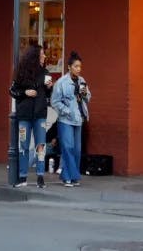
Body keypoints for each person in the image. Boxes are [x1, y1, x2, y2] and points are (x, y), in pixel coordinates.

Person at [9, 43, 50, 188]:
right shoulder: (21, 72)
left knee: (41, 146)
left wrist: (49, 88)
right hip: (24, 115)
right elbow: (12, 91)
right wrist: (25, 92)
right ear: (35, 56)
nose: (44, 56)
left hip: (40, 114)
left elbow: (48, 96)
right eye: (42, 54)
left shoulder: (45, 73)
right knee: (23, 146)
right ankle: (22, 177)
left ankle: (40, 177)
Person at [51, 51, 91, 187]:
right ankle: (67, 176)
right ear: (69, 67)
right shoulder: (61, 82)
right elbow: (55, 102)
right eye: (76, 66)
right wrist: (67, 111)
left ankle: (73, 177)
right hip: (66, 120)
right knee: (67, 147)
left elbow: (88, 98)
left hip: (79, 119)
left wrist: (85, 94)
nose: (78, 69)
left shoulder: (82, 81)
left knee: (77, 149)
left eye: (80, 67)